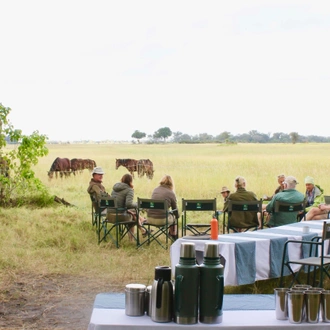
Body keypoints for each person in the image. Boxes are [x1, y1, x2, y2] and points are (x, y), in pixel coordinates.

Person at [111, 173, 147, 238]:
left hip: (110, 214)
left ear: (122, 179)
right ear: (131, 181)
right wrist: (138, 204)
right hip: (119, 216)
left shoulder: (115, 188)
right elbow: (129, 204)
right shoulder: (129, 190)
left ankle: (142, 228)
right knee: (133, 215)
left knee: (132, 213)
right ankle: (141, 224)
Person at [147, 174, 179, 240]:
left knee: (170, 214)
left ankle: (171, 233)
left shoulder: (155, 190)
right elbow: (175, 210)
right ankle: (174, 236)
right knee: (174, 217)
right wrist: (177, 216)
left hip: (149, 219)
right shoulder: (171, 193)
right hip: (162, 220)